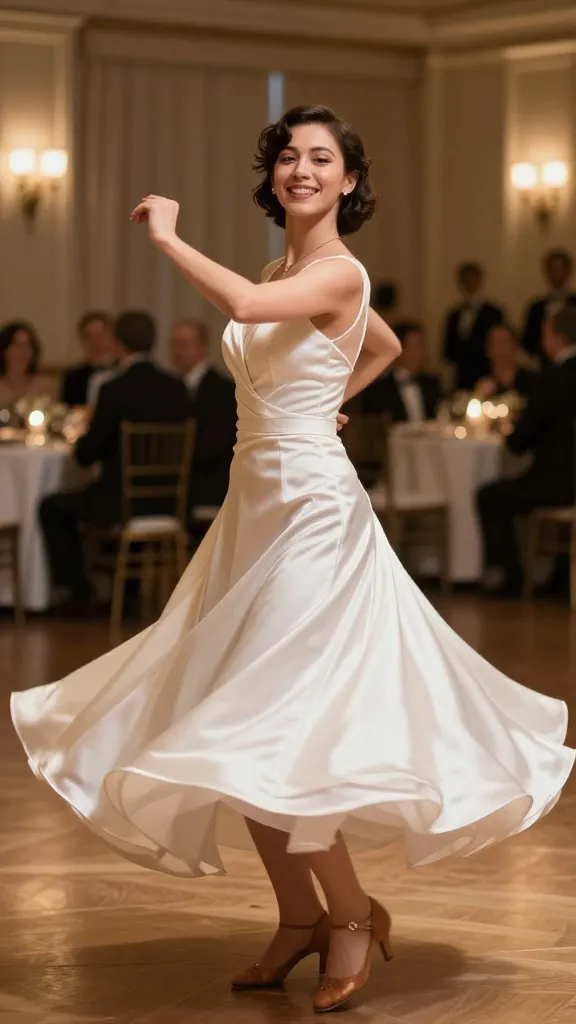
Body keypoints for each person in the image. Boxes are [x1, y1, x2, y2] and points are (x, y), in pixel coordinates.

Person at [12, 106, 573, 1015]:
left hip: (314, 514)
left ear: (349, 181)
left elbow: (244, 311)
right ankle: (296, 917)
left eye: (321, 159)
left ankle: (351, 915)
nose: (300, 169)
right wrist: (328, 392)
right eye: (288, 156)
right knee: (235, 715)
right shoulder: (289, 269)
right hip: (252, 509)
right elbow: (379, 347)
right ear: (273, 176)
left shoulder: (337, 272)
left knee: (278, 719)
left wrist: (168, 237)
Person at [39, 311, 191, 614]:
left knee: (52, 507)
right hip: (170, 501)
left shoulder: (115, 390)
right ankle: (129, 596)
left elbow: (87, 454)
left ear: (118, 344)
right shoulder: (178, 388)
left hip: (121, 504)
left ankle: (77, 593)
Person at [477, 306, 576, 597]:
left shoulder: (551, 379)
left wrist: (511, 429)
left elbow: (518, 443)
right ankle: (561, 574)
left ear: (556, 337)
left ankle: (511, 576)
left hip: (558, 485)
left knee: (489, 496)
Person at [170, 317, 236, 507]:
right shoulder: (173, 387)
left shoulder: (223, 389)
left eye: (183, 344)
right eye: (173, 344)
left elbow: (214, 443)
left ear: (202, 347)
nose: (176, 351)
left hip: (211, 482)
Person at [362, 321, 441, 422]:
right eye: (414, 347)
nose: (420, 353)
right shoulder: (378, 390)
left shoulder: (432, 384)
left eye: (421, 346)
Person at [442, 262, 504, 391]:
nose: (469, 283)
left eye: (472, 279)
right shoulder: (453, 315)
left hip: (487, 374)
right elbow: (447, 349)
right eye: (466, 279)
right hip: (462, 379)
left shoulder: (493, 313)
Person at [521, 249, 576, 366]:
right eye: (551, 269)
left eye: (559, 269)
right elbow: (528, 340)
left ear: (568, 271)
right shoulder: (536, 307)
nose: (555, 273)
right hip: (542, 365)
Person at [61, 310, 117, 406]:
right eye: (90, 336)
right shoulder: (73, 377)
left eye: (100, 335)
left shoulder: (122, 372)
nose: (96, 342)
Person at [474, 323, 536, 401]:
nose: (501, 349)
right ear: (488, 349)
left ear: (515, 346)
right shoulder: (481, 383)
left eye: (504, 343)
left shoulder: (531, 382)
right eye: (496, 344)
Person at [0, 321, 56, 405]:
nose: (22, 352)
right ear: (4, 350)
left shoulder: (44, 387)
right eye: (16, 346)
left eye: (26, 345)